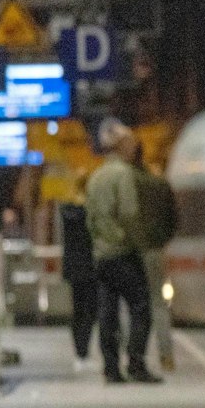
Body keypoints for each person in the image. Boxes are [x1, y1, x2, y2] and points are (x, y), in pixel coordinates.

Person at [85, 119, 160, 384]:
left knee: (108, 312)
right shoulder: (123, 175)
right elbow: (129, 213)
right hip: (123, 253)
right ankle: (136, 363)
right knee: (141, 308)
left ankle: (111, 368)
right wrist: (142, 243)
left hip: (102, 255)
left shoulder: (96, 177)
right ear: (121, 146)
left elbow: (90, 219)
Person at [136, 154, 179, 372]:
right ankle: (166, 356)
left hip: (131, 251)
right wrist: (160, 241)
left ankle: (133, 356)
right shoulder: (161, 185)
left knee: (131, 305)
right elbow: (173, 219)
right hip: (154, 250)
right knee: (158, 304)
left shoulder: (130, 183)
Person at [59, 174, 98, 373]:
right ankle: (84, 349)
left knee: (77, 310)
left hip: (73, 268)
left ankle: (79, 351)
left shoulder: (66, 210)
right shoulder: (91, 211)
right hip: (90, 267)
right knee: (90, 311)